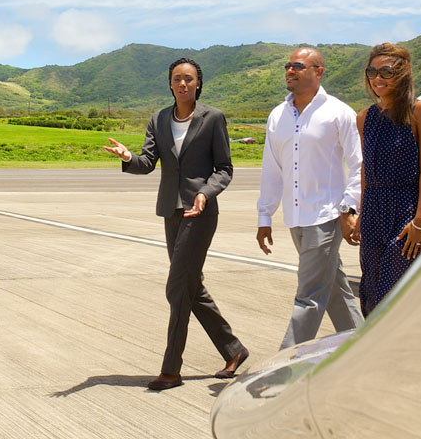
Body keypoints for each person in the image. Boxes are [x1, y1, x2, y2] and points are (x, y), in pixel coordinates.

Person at [104, 57, 249, 391]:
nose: (183, 84)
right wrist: (128, 158)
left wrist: (205, 193)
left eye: (189, 79)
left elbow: (224, 168)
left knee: (176, 287)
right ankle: (233, 349)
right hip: (172, 211)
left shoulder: (212, 118)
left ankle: (171, 369)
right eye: (177, 79)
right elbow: (147, 163)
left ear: (199, 82)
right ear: (170, 84)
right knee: (189, 287)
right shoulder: (158, 119)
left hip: (199, 212)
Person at [257, 47, 364, 349]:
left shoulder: (339, 113)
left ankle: (283, 367)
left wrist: (349, 208)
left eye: (299, 66)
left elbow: (359, 165)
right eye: (288, 66)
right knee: (334, 291)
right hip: (295, 218)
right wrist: (265, 216)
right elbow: (272, 169)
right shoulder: (278, 116)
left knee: (309, 296)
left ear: (319, 72)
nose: (290, 71)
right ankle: (363, 348)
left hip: (326, 215)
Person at [354, 43, 421, 315]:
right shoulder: (365, 118)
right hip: (374, 213)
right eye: (372, 72)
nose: (377, 79)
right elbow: (366, 169)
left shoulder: (419, 111)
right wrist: (361, 213)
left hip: (406, 211)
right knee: (371, 291)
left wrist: (419, 221)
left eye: (386, 72)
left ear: (403, 73)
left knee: (400, 293)